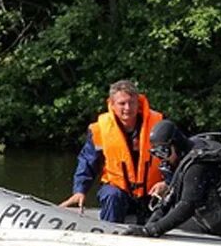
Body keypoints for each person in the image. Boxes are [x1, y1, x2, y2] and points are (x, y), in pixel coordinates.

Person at [123, 120, 221, 238]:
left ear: (176, 144)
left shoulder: (198, 164)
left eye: (163, 151)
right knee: (165, 218)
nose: (161, 158)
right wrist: (149, 225)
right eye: (156, 152)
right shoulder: (194, 148)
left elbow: (187, 206)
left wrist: (151, 230)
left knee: (175, 221)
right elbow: (170, 197)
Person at [60, 79, 166, 223]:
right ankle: (109, 236)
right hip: (118, 191)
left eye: (131, 102)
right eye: (122, 103)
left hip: (153, 193)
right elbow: (87, 162)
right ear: (112, 104)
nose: (127, 108)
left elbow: (175, 159)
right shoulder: (99, 129)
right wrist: (80, 190)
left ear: (138, 103)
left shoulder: (159, 126)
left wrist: (167, 183)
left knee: (167, 198)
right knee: (112, 195)